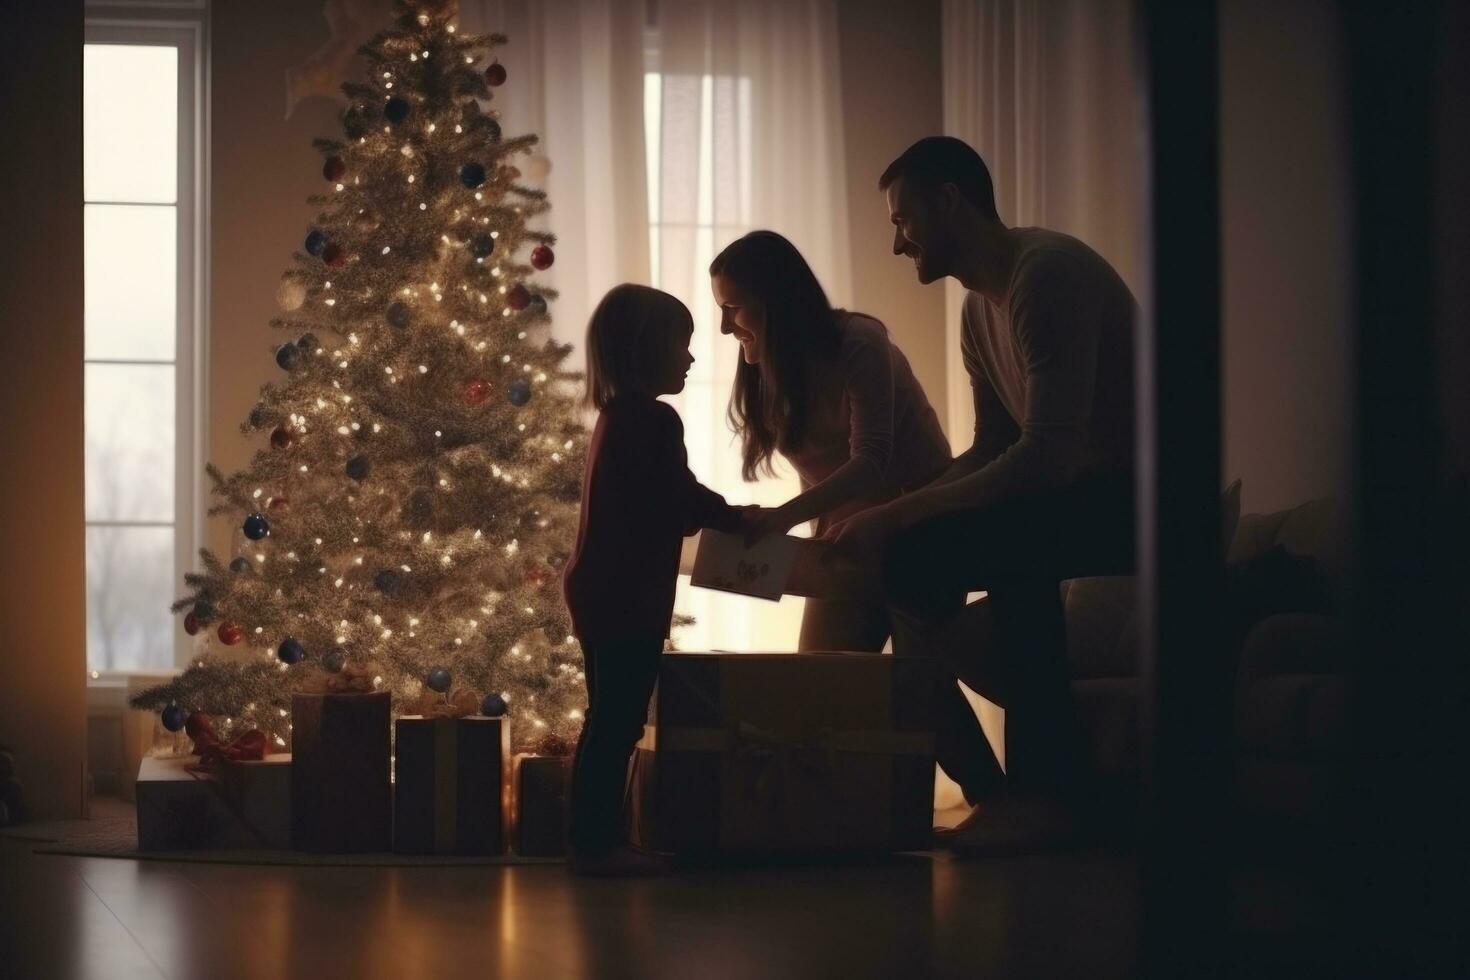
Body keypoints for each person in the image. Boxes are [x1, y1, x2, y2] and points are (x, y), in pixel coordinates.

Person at [831, 136, 1138, 849]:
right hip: (1066, 499)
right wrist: (886, 520)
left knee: (1007, 541)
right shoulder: (978, 310)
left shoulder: (1046, 274)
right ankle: (1010, 788)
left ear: (949, 202)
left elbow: (1047, 458)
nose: (898, 243)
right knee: (907, 561)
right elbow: (991, 449)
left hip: (1139, 502)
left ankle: (1043, 793)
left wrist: (898, 510)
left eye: (903, 221)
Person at [562, 284, 746, 875]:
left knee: (606, 718)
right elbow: (677, 498)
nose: (691, 358)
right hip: (625, 596)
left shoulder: (617, 418)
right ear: (646, 348)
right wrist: (738, 519)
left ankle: (590, 842)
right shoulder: (652, 420)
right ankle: (595, 847)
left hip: (600, 590)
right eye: (681, 344)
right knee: (617, 722)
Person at [711, 230, 952, 652]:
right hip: (847, 543)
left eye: (733, 309)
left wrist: (783, 519)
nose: (724, 326)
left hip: (920, 531)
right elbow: (816, 472)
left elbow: (872, 458)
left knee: (921, 692)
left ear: (775, 302)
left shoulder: (858, 341)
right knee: (821, 687)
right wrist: (812, 534)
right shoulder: (770, 367)